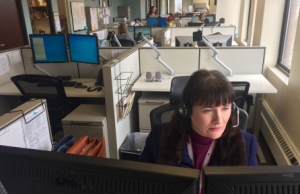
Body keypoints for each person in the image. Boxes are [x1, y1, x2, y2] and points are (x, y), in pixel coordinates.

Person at [139, 70, 258, 169]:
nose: (219, 120)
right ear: (187, 110)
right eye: (208, 110)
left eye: (225, 108)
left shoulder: (247, 144)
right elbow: (142, 185)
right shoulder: (159, 136)